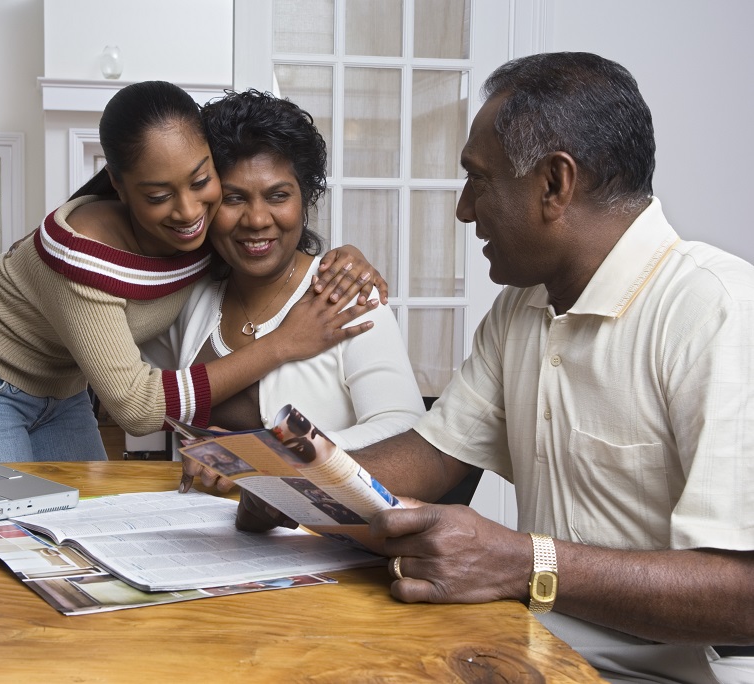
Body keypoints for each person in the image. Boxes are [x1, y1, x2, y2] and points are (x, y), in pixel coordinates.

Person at [239, 54, 754, 684]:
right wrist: (291, 484)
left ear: (554, 185)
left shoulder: (720, 312)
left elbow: (745, 596)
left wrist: (524, 561)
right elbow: (433, 456)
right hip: (522, 650)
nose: (462, 209)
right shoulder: (522, 306)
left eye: (478, 180)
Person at [0, 81, 388, 464]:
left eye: (202, 181)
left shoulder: (204, 236)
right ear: (119, 185)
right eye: (159, 196)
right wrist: (285, 342)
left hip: (62, 390)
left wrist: (342, 257)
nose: (187, 212)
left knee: (82, 529)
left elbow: (262, 234)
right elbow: (138, 409)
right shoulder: (82, 255)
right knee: (2, 536)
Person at [144, 90, 425, 491]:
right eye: (233, 198)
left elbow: (405, 431)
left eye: (278, 196)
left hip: (309, 540)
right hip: (196, 531)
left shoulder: (347, 294)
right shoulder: (191, 297)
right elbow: (137, 390)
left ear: (305, 198)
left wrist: (274, 457)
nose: (257, 219)